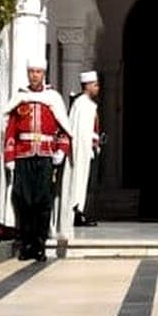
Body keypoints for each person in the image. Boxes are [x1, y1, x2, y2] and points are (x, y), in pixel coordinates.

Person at [3, 57, 72, 261]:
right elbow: (10, 129)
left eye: (38, 72)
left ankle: (40, 244)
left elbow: (63, 127)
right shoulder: (20, 98)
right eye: (32, 71)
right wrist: (9, 156)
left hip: (44, 156)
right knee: (23, 200)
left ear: (44, 74)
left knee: (42, 200)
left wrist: (61, 150)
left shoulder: (53, 98)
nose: (35, 75)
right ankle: (26, 244)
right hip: (23, 155)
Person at [67, 70, 102, 227]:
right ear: (87, 86)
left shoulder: (88, 105)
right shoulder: (81, 104)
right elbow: (80, 131)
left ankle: (82, 210)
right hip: (82, 149)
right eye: (95, 85)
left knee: (87, 182)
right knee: (80, 180)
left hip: (90, 149)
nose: (97, 88)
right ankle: (77, 211)